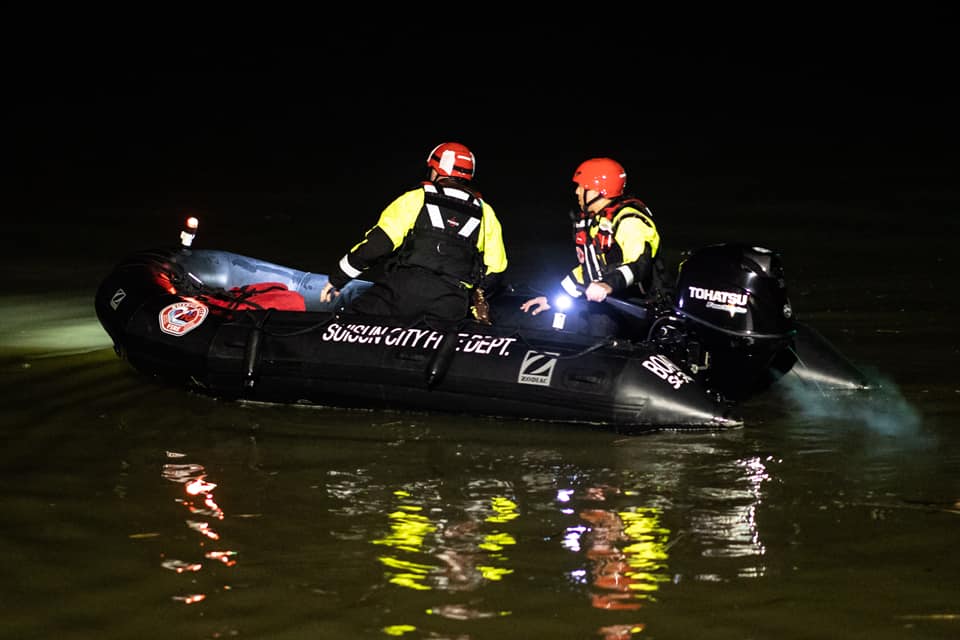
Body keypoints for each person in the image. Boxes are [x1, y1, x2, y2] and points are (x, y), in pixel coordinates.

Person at [320, 142, 507, 327]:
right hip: (450, 302)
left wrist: (338, 278)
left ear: (436, 169)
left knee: (349, 322)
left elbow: (378, 245)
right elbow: (496, 271)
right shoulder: (486, 213)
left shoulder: (417, 197)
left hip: (402, 291)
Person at [520, 157, 667, 337]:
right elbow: (588, 271)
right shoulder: (596, 222)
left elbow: (639, 264)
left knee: (598, 323)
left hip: (637, 306)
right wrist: (552, 298)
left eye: (582, 187)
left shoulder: (629, 221)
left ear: (599, 190)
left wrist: (607, 285)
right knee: (558, 320)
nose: (577, 191)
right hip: (607, 301)